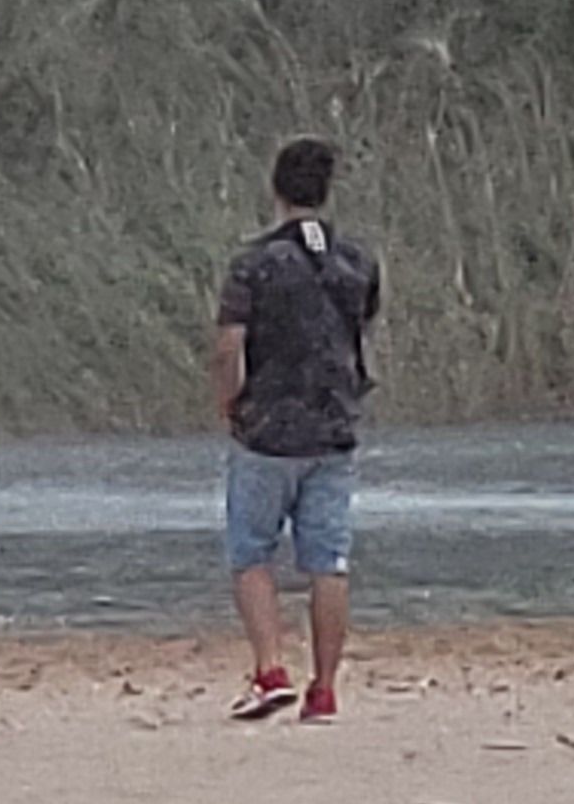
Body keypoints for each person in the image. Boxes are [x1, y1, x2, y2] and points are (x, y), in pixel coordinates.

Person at [217, 134, 384, 725]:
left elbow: (230, 345)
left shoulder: (254, 265)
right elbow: (357, 330)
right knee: (327, 560)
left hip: (267, 429)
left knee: (251, 552)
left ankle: (269, 670)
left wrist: (229, 401)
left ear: (276, 188)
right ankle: (325, 687)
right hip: (335, 427)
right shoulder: (357, 262)